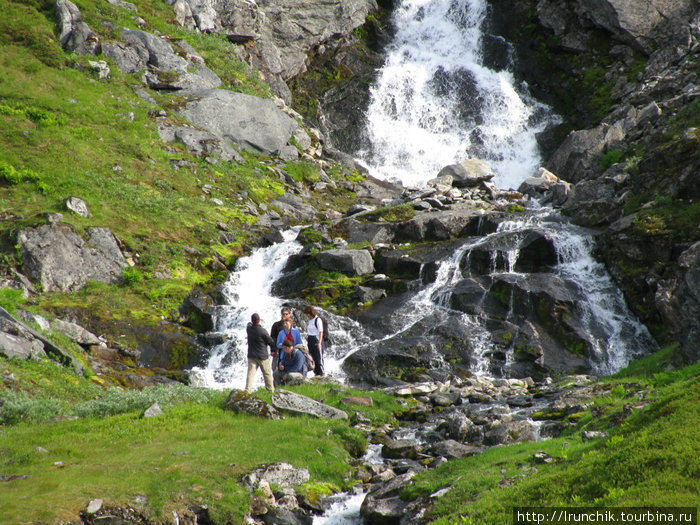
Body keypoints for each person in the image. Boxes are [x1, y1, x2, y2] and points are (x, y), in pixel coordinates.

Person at [245, 313, 275, 393]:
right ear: (259, 320)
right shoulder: (262, 331)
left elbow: (248, 324)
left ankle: (247, 390)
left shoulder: (249, 329)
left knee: (250, 374)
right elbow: (271, 342)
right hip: (262, 356)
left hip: (252, 356)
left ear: (252, 321)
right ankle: (270, 390)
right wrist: (273, 350)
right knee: (267, 374)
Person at [269, 306, 292, 374]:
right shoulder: (276, 325)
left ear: (289, 314)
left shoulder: (292, 326)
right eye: (283, 314)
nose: (285, 315)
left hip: (290, 349)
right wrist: (272, 350)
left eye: (286, 314)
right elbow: (272, 338)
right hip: (278, 349)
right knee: (275, 366)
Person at [303, 305, 325, 376]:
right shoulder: (310, 321)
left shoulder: (317, 320)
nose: (307, 316)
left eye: (307, 314)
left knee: (319, 357)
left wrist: (319, 343)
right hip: (310, 339)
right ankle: (316, 373)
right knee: (312, 357)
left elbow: (321, 331)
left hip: (316, 339)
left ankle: (321, 372)